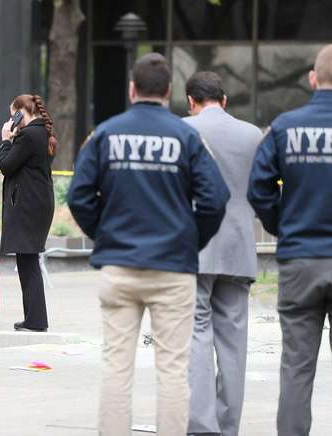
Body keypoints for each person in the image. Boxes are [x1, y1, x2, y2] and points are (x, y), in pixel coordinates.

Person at [67, 53, 230, 436]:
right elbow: (215, 199)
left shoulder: (107, 133)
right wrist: (190, 240)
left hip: (120, 265)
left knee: (116, 367)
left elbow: (79, 196)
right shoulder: (187, 136)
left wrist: (104, 234)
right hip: (173, 267)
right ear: (170, 91)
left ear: (131, 89)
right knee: (173, 369)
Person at [248, 44, 332, 436]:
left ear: (313, 80)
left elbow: (259, 188)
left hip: (300, 259)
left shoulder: (285, 126)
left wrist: (285, 225)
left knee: (297, 367)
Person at [183, 71, 262, 436]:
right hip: (239, 247)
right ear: (225, 99)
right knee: (234, 342)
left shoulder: (182, 130)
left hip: (195, 245)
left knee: (197, 335)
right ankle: (228, 425)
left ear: (191, 101)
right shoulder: (252, 134)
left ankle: (202, 424)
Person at [0, 94, 57, 333]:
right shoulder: (41, 132)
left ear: (21, 112)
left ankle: (36, 321)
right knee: (28, 260)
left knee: (28, 262)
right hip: (38, 204)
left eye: (13, 113)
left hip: (29, 205)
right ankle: (34, 319)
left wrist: (5, 140)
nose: (11, 119)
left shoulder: (28, 134)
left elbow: (6, 165)